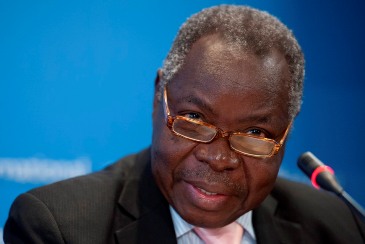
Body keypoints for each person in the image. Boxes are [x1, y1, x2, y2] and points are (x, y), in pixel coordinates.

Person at [4, 5, 365, 244]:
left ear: (286, 134)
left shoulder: (336, 227)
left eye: (255, 133)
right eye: (194, 118)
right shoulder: (59, 228)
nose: (219, 158)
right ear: (158, 96)